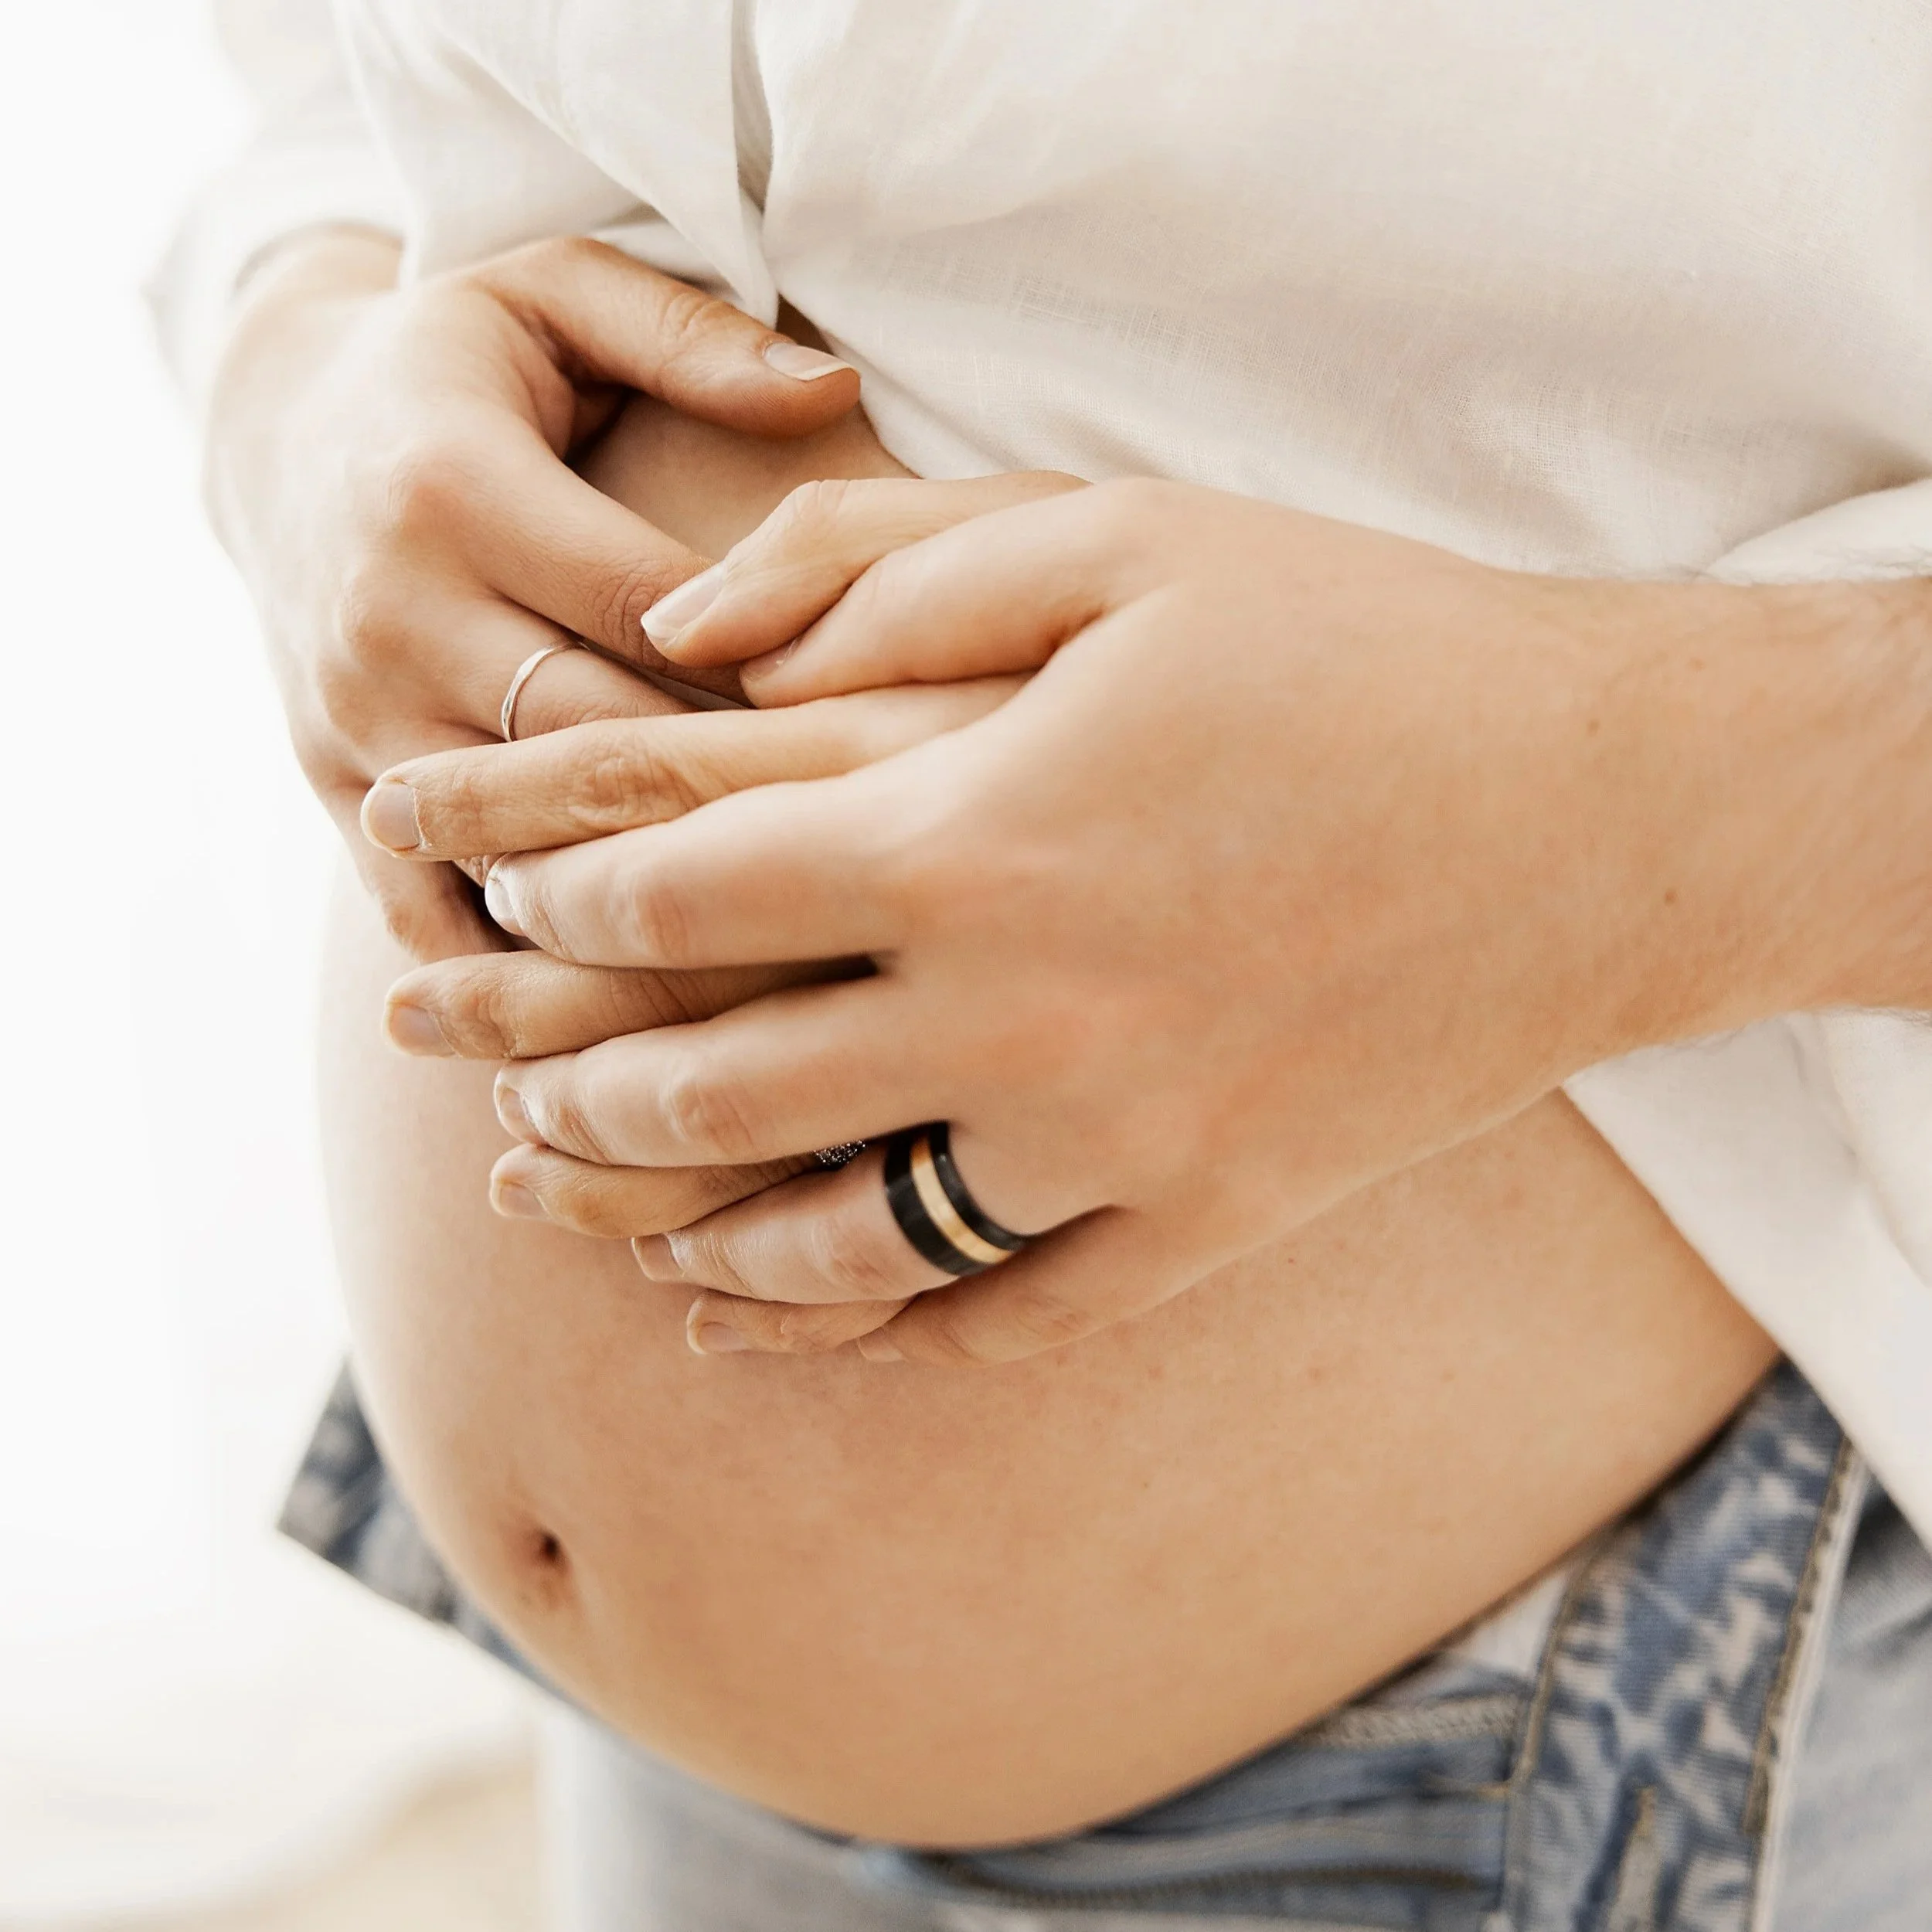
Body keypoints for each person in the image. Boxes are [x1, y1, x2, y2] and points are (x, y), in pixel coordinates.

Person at [160, 3, 1932, 1926]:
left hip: (1606, 1681)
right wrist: (300, 373)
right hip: (662, 1735)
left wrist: (1632, 833)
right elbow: (347, 88)